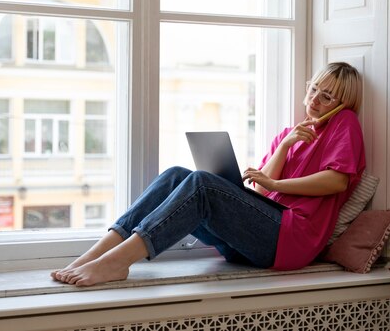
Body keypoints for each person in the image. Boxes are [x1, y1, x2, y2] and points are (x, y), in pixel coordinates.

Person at [51, 61, 365, 286]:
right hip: (258, 239)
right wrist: (284, 147)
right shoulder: (290, 133)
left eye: (327, 96)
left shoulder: (344, 123)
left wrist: (276, 182)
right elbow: (262, 191)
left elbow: (336, 181)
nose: (314, 99)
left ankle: (117, 263)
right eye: (314, 89)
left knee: (201, 183)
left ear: (344, 104)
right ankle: (94, 256)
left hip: (292, 240)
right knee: (175, 175)